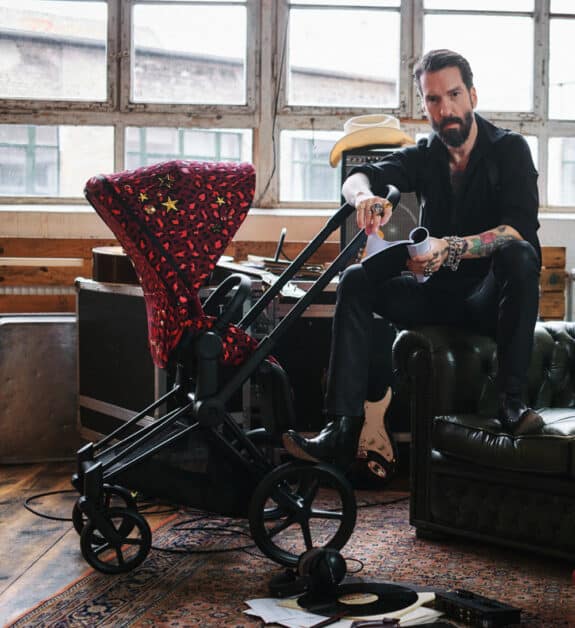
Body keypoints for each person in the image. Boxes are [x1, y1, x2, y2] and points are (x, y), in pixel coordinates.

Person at [283, 48, 543, 469]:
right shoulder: (424, 155)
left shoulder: (509, 150)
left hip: (487, 300)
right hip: (435, 295)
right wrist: (365, 198)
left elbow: (519, 230)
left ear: (473, 96)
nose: (447, 109)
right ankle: (343, 427)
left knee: (519, 255)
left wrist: (453, 246)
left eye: (454, 95)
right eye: (434, 99)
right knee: (355, 279)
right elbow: (357, 177)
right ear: (425, 106)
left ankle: (511, 404)